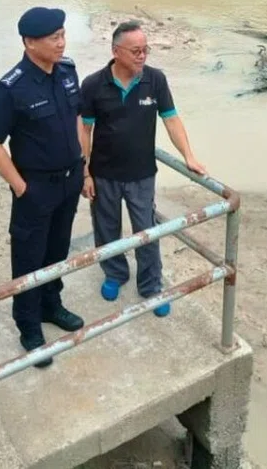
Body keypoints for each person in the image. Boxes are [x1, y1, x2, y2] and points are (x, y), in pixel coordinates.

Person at [0, 6, 87, 369]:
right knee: (29, 256)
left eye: (63, 35)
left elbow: (76, 119)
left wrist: (83, 166)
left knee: (57, 249)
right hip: (35, 187)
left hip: (70, 181)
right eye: (54, 38)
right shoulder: (11, 89)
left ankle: (51, 305)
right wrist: (21, 187)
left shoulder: (67, 72)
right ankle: (28, 324)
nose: (62, 43)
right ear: (29, 43)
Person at [79, 20, 206, 316]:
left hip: (141, 174)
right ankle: (115, 274)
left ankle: (151, 285)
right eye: (136, 50)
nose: (142, 56)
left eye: (145, 50)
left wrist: (189, 155)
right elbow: (84, 131)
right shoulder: (94, 84)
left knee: (146, 230)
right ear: (116, 51)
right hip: (104, 174)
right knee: (106, 228)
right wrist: (85, 173)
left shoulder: (155, 80)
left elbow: (171, 119)